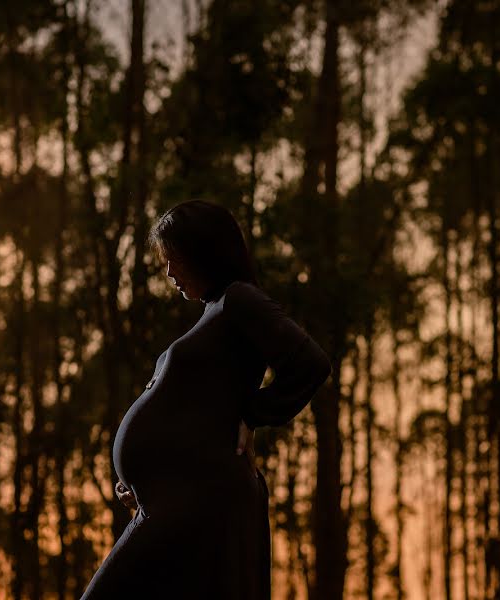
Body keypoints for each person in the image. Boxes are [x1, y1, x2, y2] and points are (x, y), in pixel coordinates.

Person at [79, 200, 332, 599]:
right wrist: (146, 481)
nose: (169, 272)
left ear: (204, 252)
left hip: (202, 506)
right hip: (169, 507)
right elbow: (195, 416)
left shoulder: (239, 300)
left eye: (175, 259)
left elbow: (311, 363)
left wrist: (253, 414)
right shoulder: (214, 312)